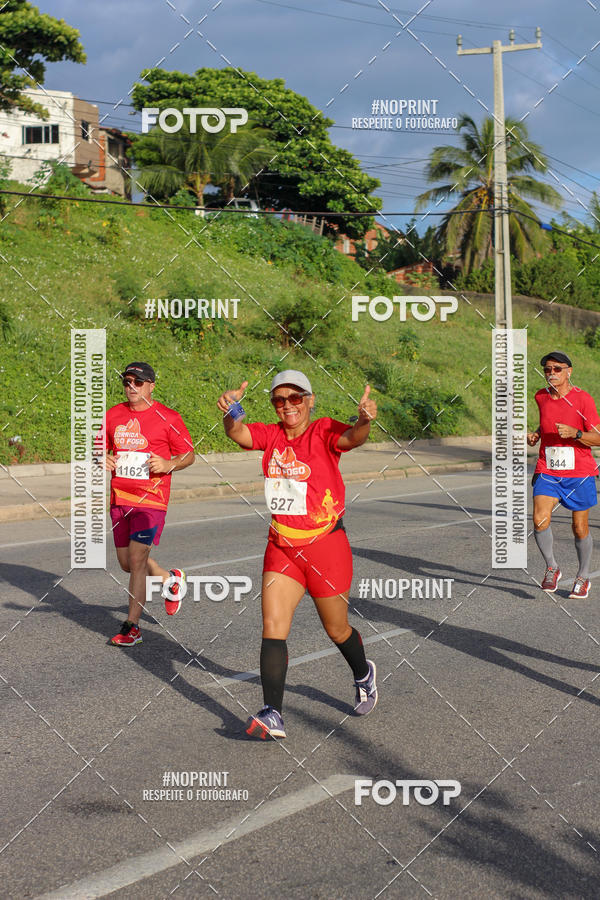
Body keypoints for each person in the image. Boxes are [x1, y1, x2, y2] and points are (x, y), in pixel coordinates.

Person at [217, 369, 378, 739]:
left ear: (309, 399)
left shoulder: (322, 430)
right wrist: (230, 410)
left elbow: (353, 437)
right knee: (273, 628)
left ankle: (362, 673)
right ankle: (273, 712)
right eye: (279, 400)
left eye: (295, 398)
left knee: (336, 629)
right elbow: (237, 431)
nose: (287, 406)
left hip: (325, 546)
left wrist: (364, 420)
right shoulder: (271, 434)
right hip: (282, 547)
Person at [99, 362, 195, 645]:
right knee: (127, 563)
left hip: (151, 501)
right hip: (119, 498)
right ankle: (170, 579)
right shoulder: (114, 415)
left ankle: (132, 627)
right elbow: (98, 447)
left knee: (138, 559)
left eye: (137, 382)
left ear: (151, 385)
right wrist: (101, 458)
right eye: (127, 381)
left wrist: (169, 463)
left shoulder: (168, 418)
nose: (131, 387)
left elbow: (188, 455)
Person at [527, 351, 600, 598]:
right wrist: (537, 433)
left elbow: (598, 437)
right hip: (548, 468)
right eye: (547, 369)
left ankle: (583, 575)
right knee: (539, 519)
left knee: (579, 528)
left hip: (579, 472)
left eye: (557, 369)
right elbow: (548, 420)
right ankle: (552, 567)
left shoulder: (583, 400)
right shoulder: (540, 396)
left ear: (569, 371)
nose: (551, 374)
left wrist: (577, 434)